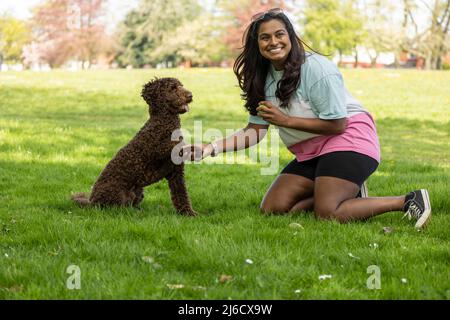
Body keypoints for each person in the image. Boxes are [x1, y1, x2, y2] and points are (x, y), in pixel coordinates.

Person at [185, 8, 431, 228]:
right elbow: (254, 130)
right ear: (256, 43)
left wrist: (286, 121)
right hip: (312, 150)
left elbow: (338, 124)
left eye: (279, 34)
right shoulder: (262, 77)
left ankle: (408, 200)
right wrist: (210, 148)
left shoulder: (316, 69)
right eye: (265, 37)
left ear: (290, 36)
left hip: (350, 139)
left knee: (327, 213)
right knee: (273, 208)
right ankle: (348, 193)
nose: (274, 41)